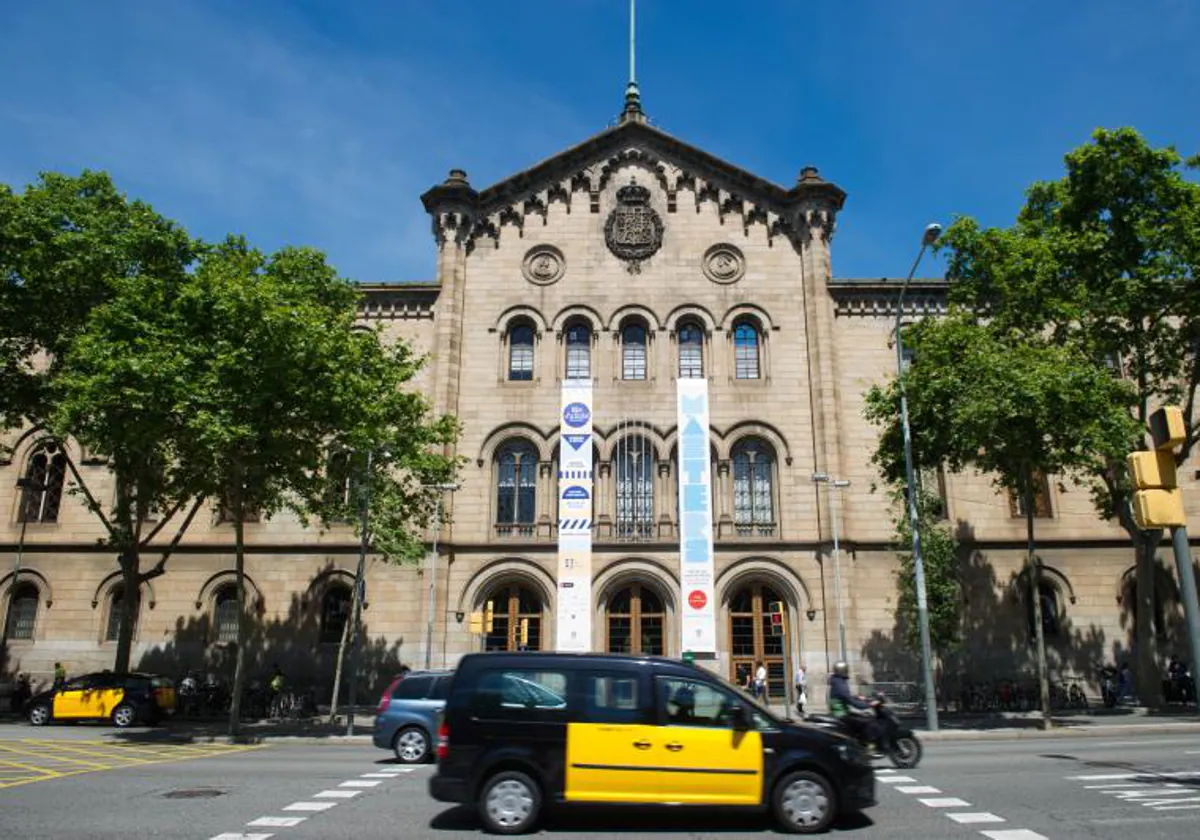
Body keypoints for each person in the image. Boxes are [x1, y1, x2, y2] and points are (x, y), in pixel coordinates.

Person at [828, 661, 881, 753]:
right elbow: (853, 703)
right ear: (843, 671)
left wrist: (859, 697)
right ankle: (867, 748)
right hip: (841, 715)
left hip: (841, 712)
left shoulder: (837, 681)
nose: (847, 672)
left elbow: (846, 696)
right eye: (846, 670)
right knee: (867, 721)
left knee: (864, 717)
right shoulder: (840, 684)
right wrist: (868, 705)